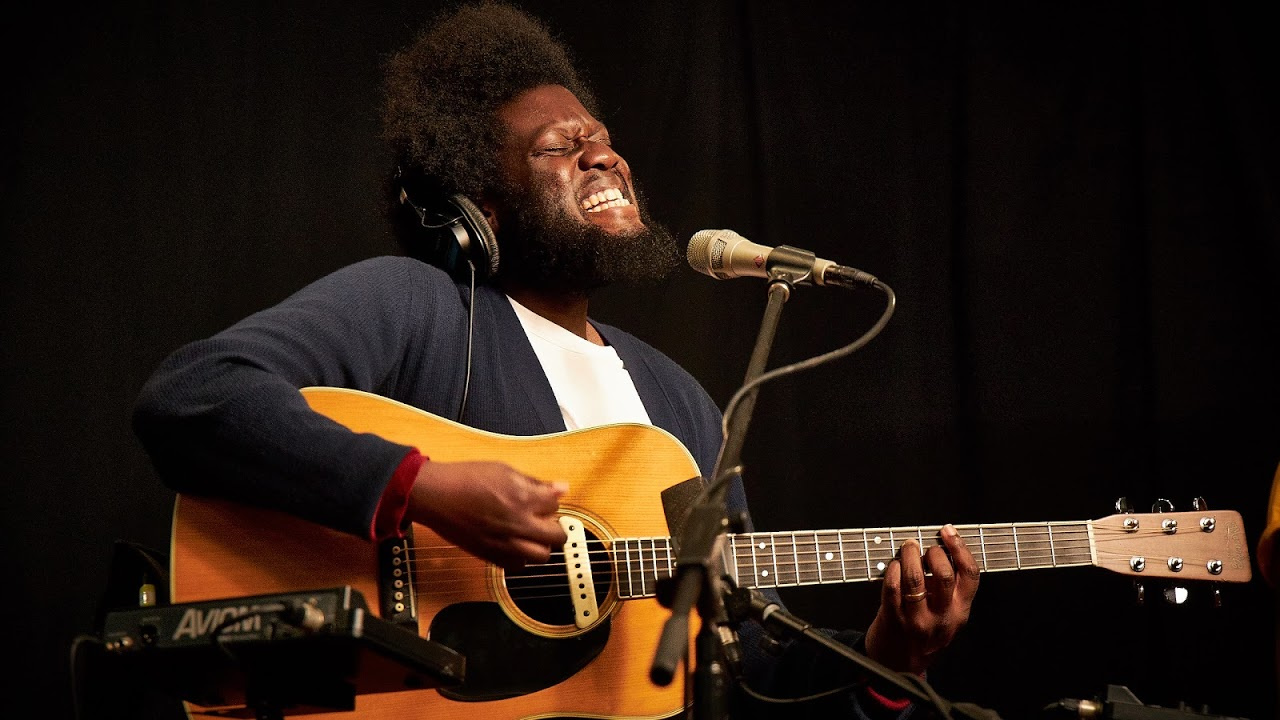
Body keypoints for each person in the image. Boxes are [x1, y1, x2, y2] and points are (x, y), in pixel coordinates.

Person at [131, 2, 980, 718]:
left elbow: (744, 670)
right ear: (480, 208)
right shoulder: (415, 306)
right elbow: (195, 396)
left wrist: (889, 655)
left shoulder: (678, 406)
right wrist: (420, 487)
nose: (602, 157)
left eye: (601, 139)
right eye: (558, 148)